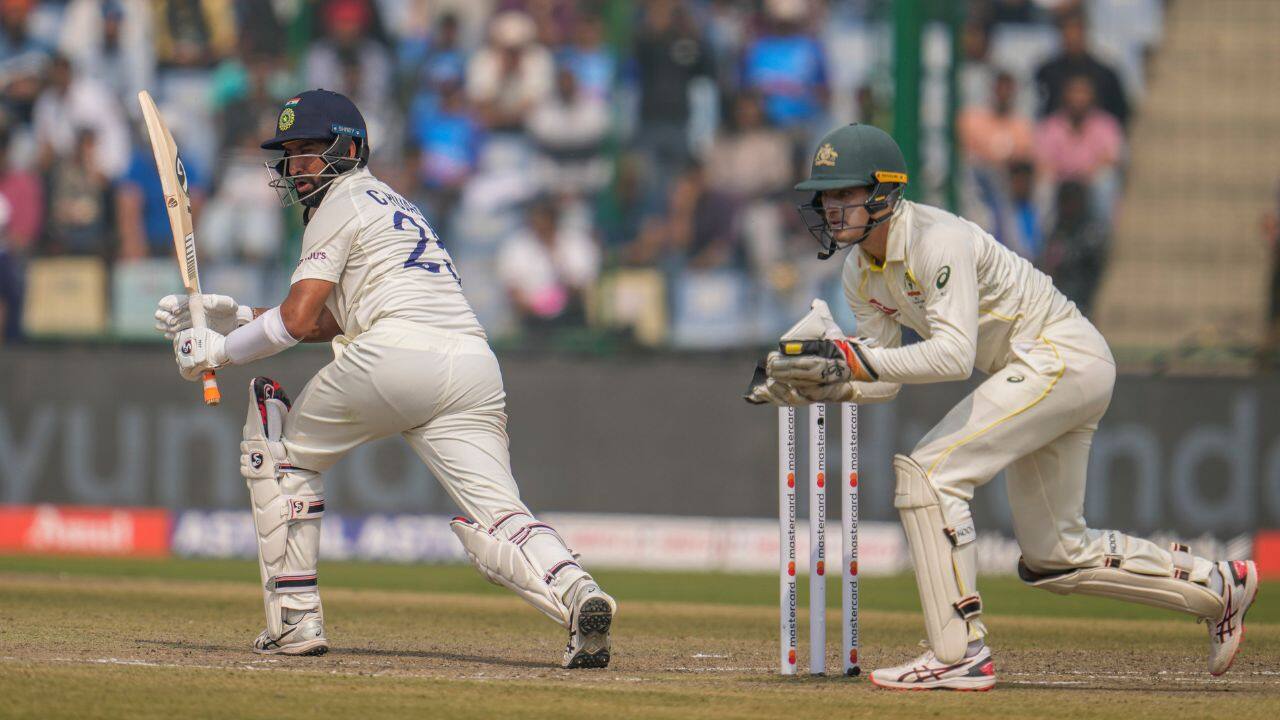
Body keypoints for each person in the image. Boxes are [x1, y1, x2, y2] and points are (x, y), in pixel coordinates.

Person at [747, 123, 1259, 690]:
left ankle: (958, 652)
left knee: (930, 476)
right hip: (1049, 367)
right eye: (826, 196)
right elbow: (884, 378)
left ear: (883, 193)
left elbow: (953, 357)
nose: (832, 207)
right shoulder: (857, 273)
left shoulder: (936, 241)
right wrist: (824, 384)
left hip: (1058, 355)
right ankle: (1217, 585)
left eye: (845, 194)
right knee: (1054, 555)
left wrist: (849, 360)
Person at [152, 90, 616, 668]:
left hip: (396, 356)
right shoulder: (392, 201)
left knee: (280, 455)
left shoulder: (338, 202)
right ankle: (578, 594)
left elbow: (295, 323)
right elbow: (339, 314)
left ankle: (296, 621)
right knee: (503, 516)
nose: (295, 167)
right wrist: (239, 318)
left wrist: (218, 352)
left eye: (308, 152)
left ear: (348, 149)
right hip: (472, 364)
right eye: (289, 154)